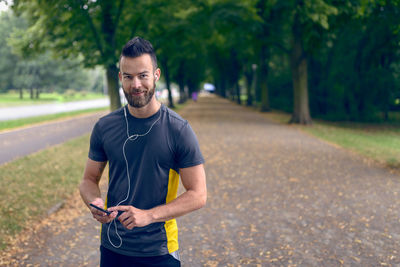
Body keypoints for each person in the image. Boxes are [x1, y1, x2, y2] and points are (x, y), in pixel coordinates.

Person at [79, 36, 207, 267]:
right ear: (120, 78)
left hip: (159, 251)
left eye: (143, 75)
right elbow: (88, 180)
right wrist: (94, 201)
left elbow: (198, 194)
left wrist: (149, 215)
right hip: (112, 248)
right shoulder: (104, 127)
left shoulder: (178, 130)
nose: (136, 84)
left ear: (156, 75)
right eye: (128, 77)